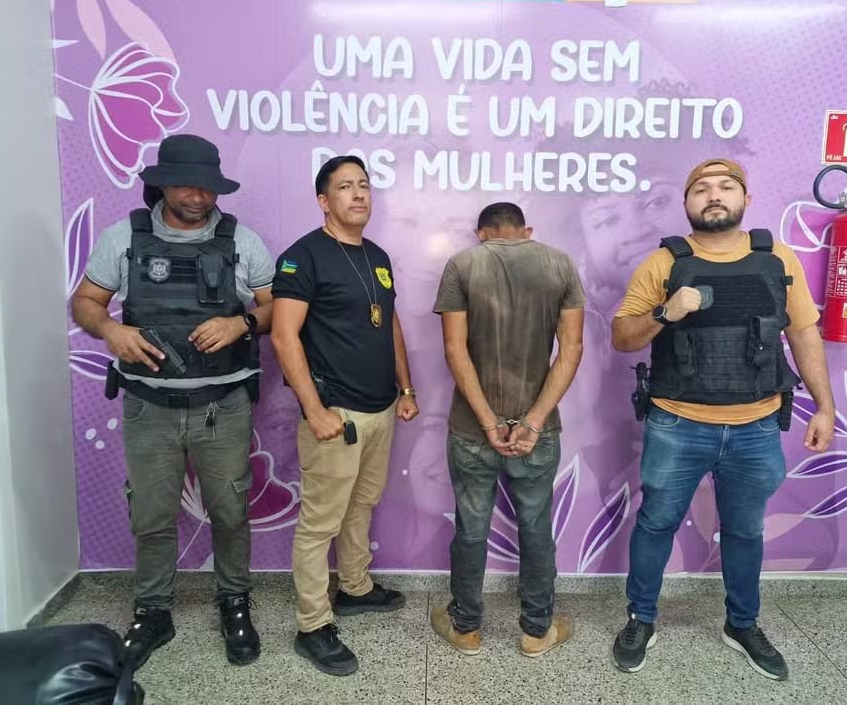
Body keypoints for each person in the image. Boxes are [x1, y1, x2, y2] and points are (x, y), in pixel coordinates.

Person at [610, 159, 835, 680]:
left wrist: (825, 406)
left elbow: (803, 333)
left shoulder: (776, 258)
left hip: (757, 426)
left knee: (744, 530)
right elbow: (621, 336)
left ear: (745, 199)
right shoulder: (663, 263)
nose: (714, 195)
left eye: (726, 187)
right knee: (656, 523)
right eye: (702, 189)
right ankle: (641, 619)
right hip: (677, 424)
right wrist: (666, 311)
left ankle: (743, 623)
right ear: (687, 203)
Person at [71, 134, 274, 668]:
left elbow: (276, 307)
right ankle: (153, 611)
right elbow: (85, 301)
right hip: (149, 406)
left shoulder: (241, 241)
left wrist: (241, 323)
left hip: (222, 404)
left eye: (207, 187)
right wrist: (111, 331)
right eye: (186, 185)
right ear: (161, 184)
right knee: (152, 514)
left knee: (230, 510)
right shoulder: (125, 237)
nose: (199, 197)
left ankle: (234, 602)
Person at [271, 155, 418, 677]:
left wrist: (405, 388)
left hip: (382, 408)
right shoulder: (302, 257)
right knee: (319, 524)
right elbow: (283, 336)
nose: (358, 194)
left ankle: (354, 587)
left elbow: (389, 323)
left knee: (362, 505)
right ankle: (312, 624)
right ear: (323, 200)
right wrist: (313, 409)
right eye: (345, 187)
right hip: (336, 415)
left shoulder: (377, 256)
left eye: (364, 185)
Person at [430, 202, 586, 658]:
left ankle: (466, 628)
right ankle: (537, 631)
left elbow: (454, 350)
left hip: (471, 429)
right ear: (527, 230)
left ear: (481, 233)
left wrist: (488, 421)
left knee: (471, 528)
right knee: (536, 528)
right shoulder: (560, 264)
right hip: (540, 431)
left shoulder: (461, 265)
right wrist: (533, 421)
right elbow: (571, 351)